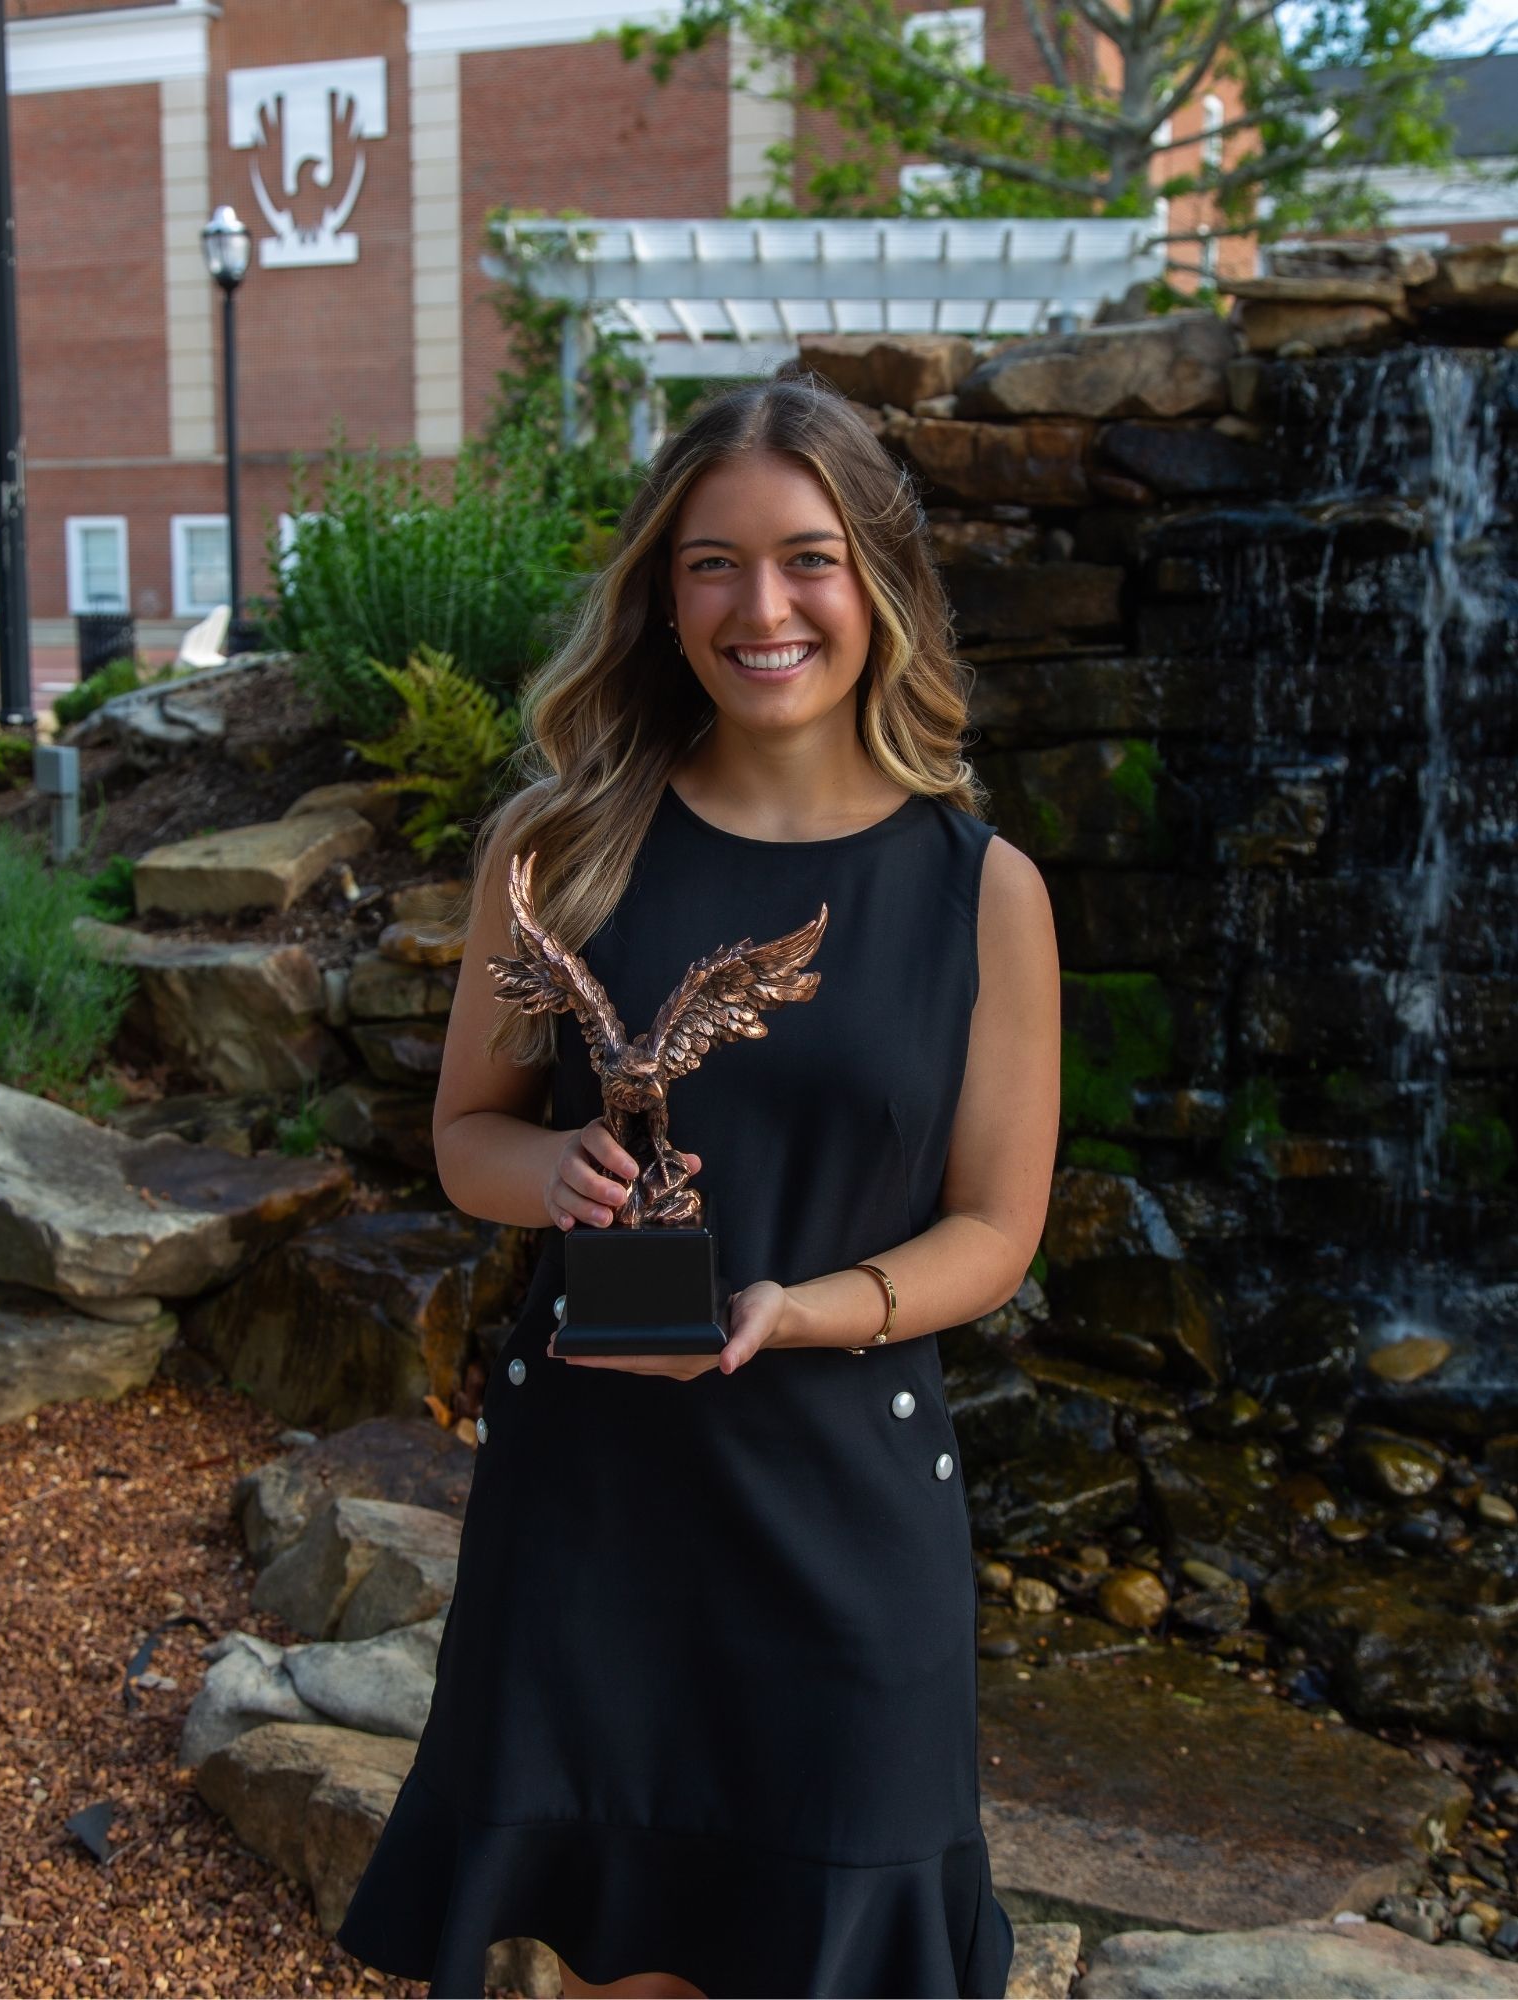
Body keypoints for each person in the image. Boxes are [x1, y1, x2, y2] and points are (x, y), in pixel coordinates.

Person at [335, 366, 1061, 2000]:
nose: (762, 608)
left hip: (846, 1508)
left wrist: (800, 1310)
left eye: (808, 559)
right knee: (623, 1952)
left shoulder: (980, 892)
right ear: (663, 598)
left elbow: (995, 1231)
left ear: (877, 583)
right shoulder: (560, 849)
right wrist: (558, 1171)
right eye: (712, 564)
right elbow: (467, 1140)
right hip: (596, 1501)